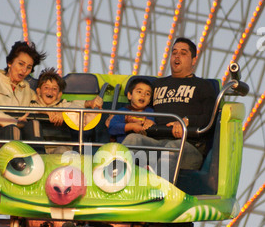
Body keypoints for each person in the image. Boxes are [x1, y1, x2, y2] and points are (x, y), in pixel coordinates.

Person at [122, 37, 217, 182]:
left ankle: (157, 195)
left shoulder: (203, 86)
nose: (177, 56)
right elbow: (142, 108)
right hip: (155, 141)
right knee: (132, 139)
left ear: (193, 60)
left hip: (187, 146)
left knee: (171, 149)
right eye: (174, 52)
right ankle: (112, 184)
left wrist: (186, 122)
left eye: (183, 53)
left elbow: (209, 117)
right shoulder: (157, 85)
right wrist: (140, 120)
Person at [0, 40, 46, 157]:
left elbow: (42, 105)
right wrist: (14, 122)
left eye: (29, 67)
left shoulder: (26, 89)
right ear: (10, 62)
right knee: (13, 130)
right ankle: (17, 167)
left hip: (19, 139)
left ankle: (40, 162)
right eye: (21, 64)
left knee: (34, 124)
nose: (24, 70)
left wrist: (57, 112)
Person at [32, 67, 103, 152]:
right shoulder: (33, 104)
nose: (50, 91)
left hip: (61, 149)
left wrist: (64, 114)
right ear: (38, 91)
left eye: (54, 89)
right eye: (46, 87)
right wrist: (45, 112)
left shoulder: (63, 105)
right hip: (40, 149)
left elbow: (76, 105)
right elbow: (29, 111)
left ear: (59, 94)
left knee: (62, 151)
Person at [108, 77, 155, 143]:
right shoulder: (123, 112)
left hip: (144, 146)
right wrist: (131, 126)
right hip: (124, 148)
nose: (143, 95)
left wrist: (151, 123)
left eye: (147, 94)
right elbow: (112, 128)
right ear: (130, 95)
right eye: (139, 92)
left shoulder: (151, 112)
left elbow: (154, 125)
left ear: (149, 100)